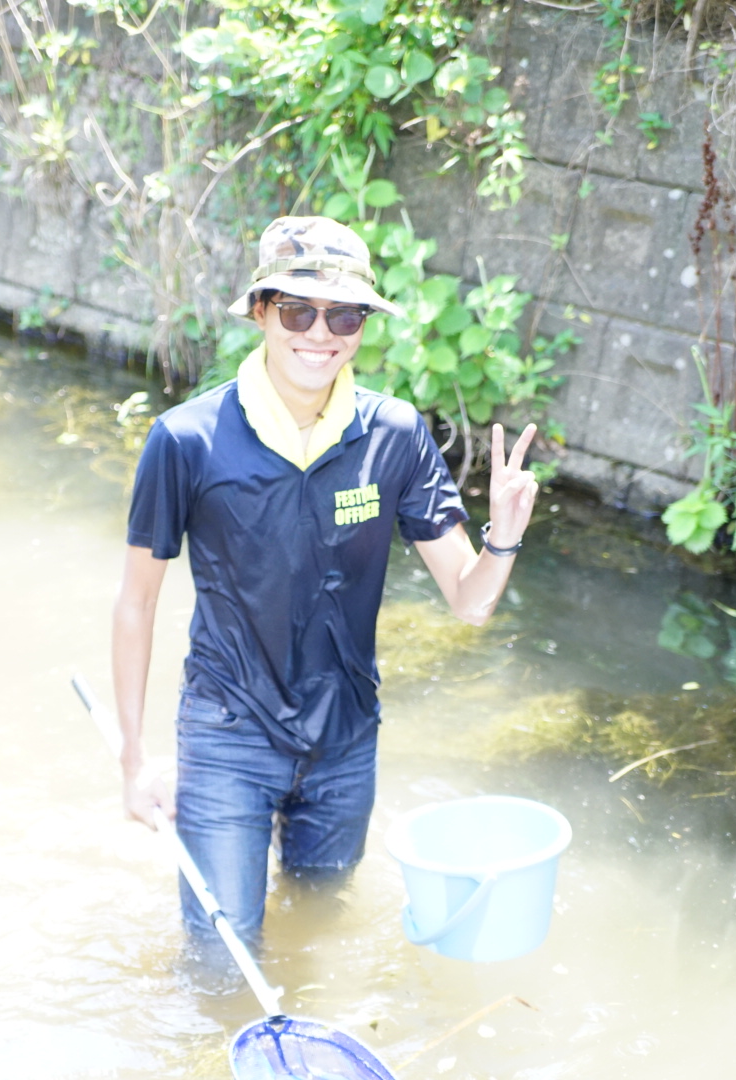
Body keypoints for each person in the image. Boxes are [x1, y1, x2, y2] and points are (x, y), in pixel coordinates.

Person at [111, 215, 539, 955]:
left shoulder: (394, 435)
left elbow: (470, 604)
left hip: (344, 739)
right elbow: (135, 602)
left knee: (317, 923)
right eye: (297, 311)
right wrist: (134, 761)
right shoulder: (187, 439)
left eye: (344, 316)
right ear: (260, 312)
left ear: (363, 326)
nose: (320, 334)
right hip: (228, 735)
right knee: (223, 957)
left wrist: (502, 535)